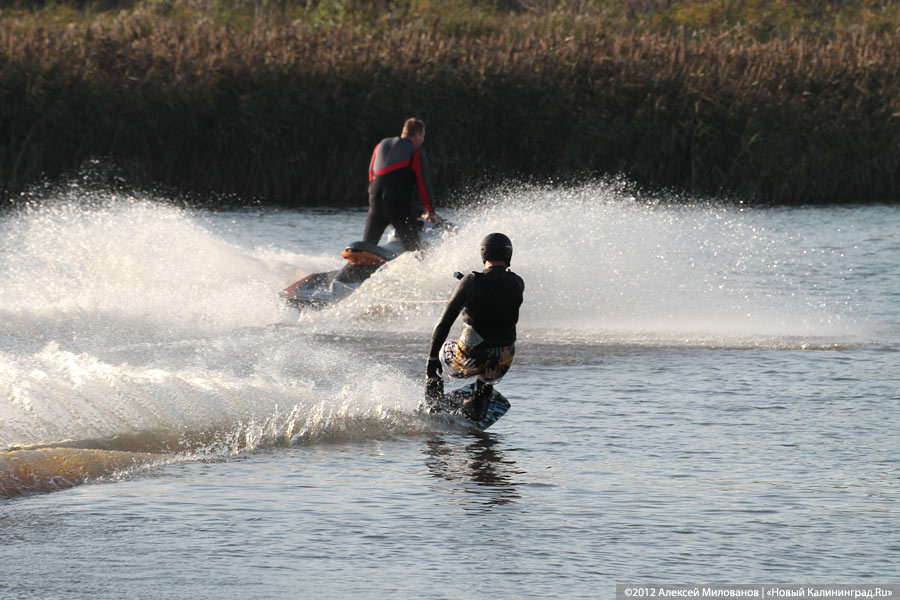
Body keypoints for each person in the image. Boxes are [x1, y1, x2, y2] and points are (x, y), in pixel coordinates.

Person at [425, 233, 525, 422]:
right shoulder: (518, 283)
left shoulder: (470, 281)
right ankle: (478, 405)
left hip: (469, 358)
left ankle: (433, 408)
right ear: (508, 255)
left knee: (439, 355)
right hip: (502, 361)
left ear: (483, 254)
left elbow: (443, 324)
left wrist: (432, 359)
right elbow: (496, 294)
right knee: (493, 357)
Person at [364, 118, 443, 251]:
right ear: (417, 134)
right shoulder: (415, 154)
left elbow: (371, 174)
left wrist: (372, 196)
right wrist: (430, 211)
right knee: (415, 251)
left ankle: (358, 261)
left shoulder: (380, 145)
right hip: (398, 208)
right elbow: (424, 185)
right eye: (423, 136)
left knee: (366, 248)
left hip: (375, 203)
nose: (422, 140)